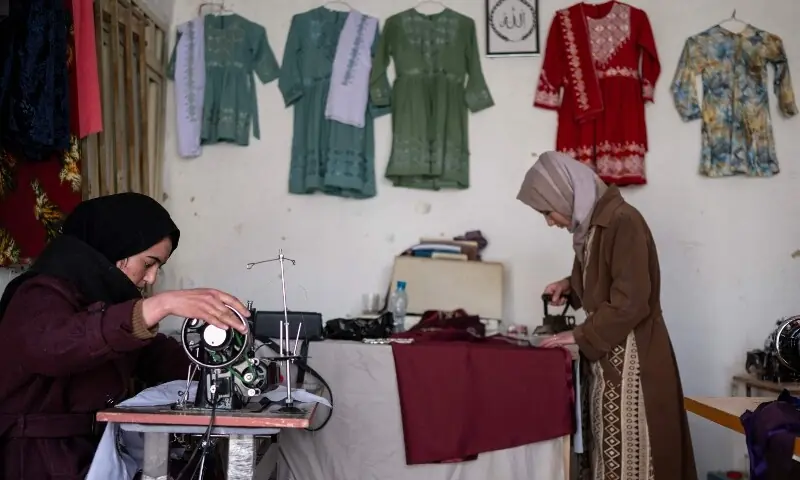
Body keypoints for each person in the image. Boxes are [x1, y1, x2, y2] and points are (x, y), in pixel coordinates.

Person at [0, 192, 250, 480]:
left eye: (158, 268)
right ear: (117, 250)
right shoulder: (39, 294)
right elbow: (57, 347)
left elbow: (158, 357)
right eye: (148, 263)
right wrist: (159, 305)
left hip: (90, 451)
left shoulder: (108, 304)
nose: (151, 278)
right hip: (36, 461)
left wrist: (230, 367)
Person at [517, 151, 697, 480]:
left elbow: (631, 301)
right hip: (610, 360)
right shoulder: (591, 228)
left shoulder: (622, 221)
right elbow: (609, 278)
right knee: (610, 463)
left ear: (564, 193)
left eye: (546, 211)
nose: (549, 221)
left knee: (636, 464)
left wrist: (578, 335)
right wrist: (570, 285)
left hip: (635, 366)